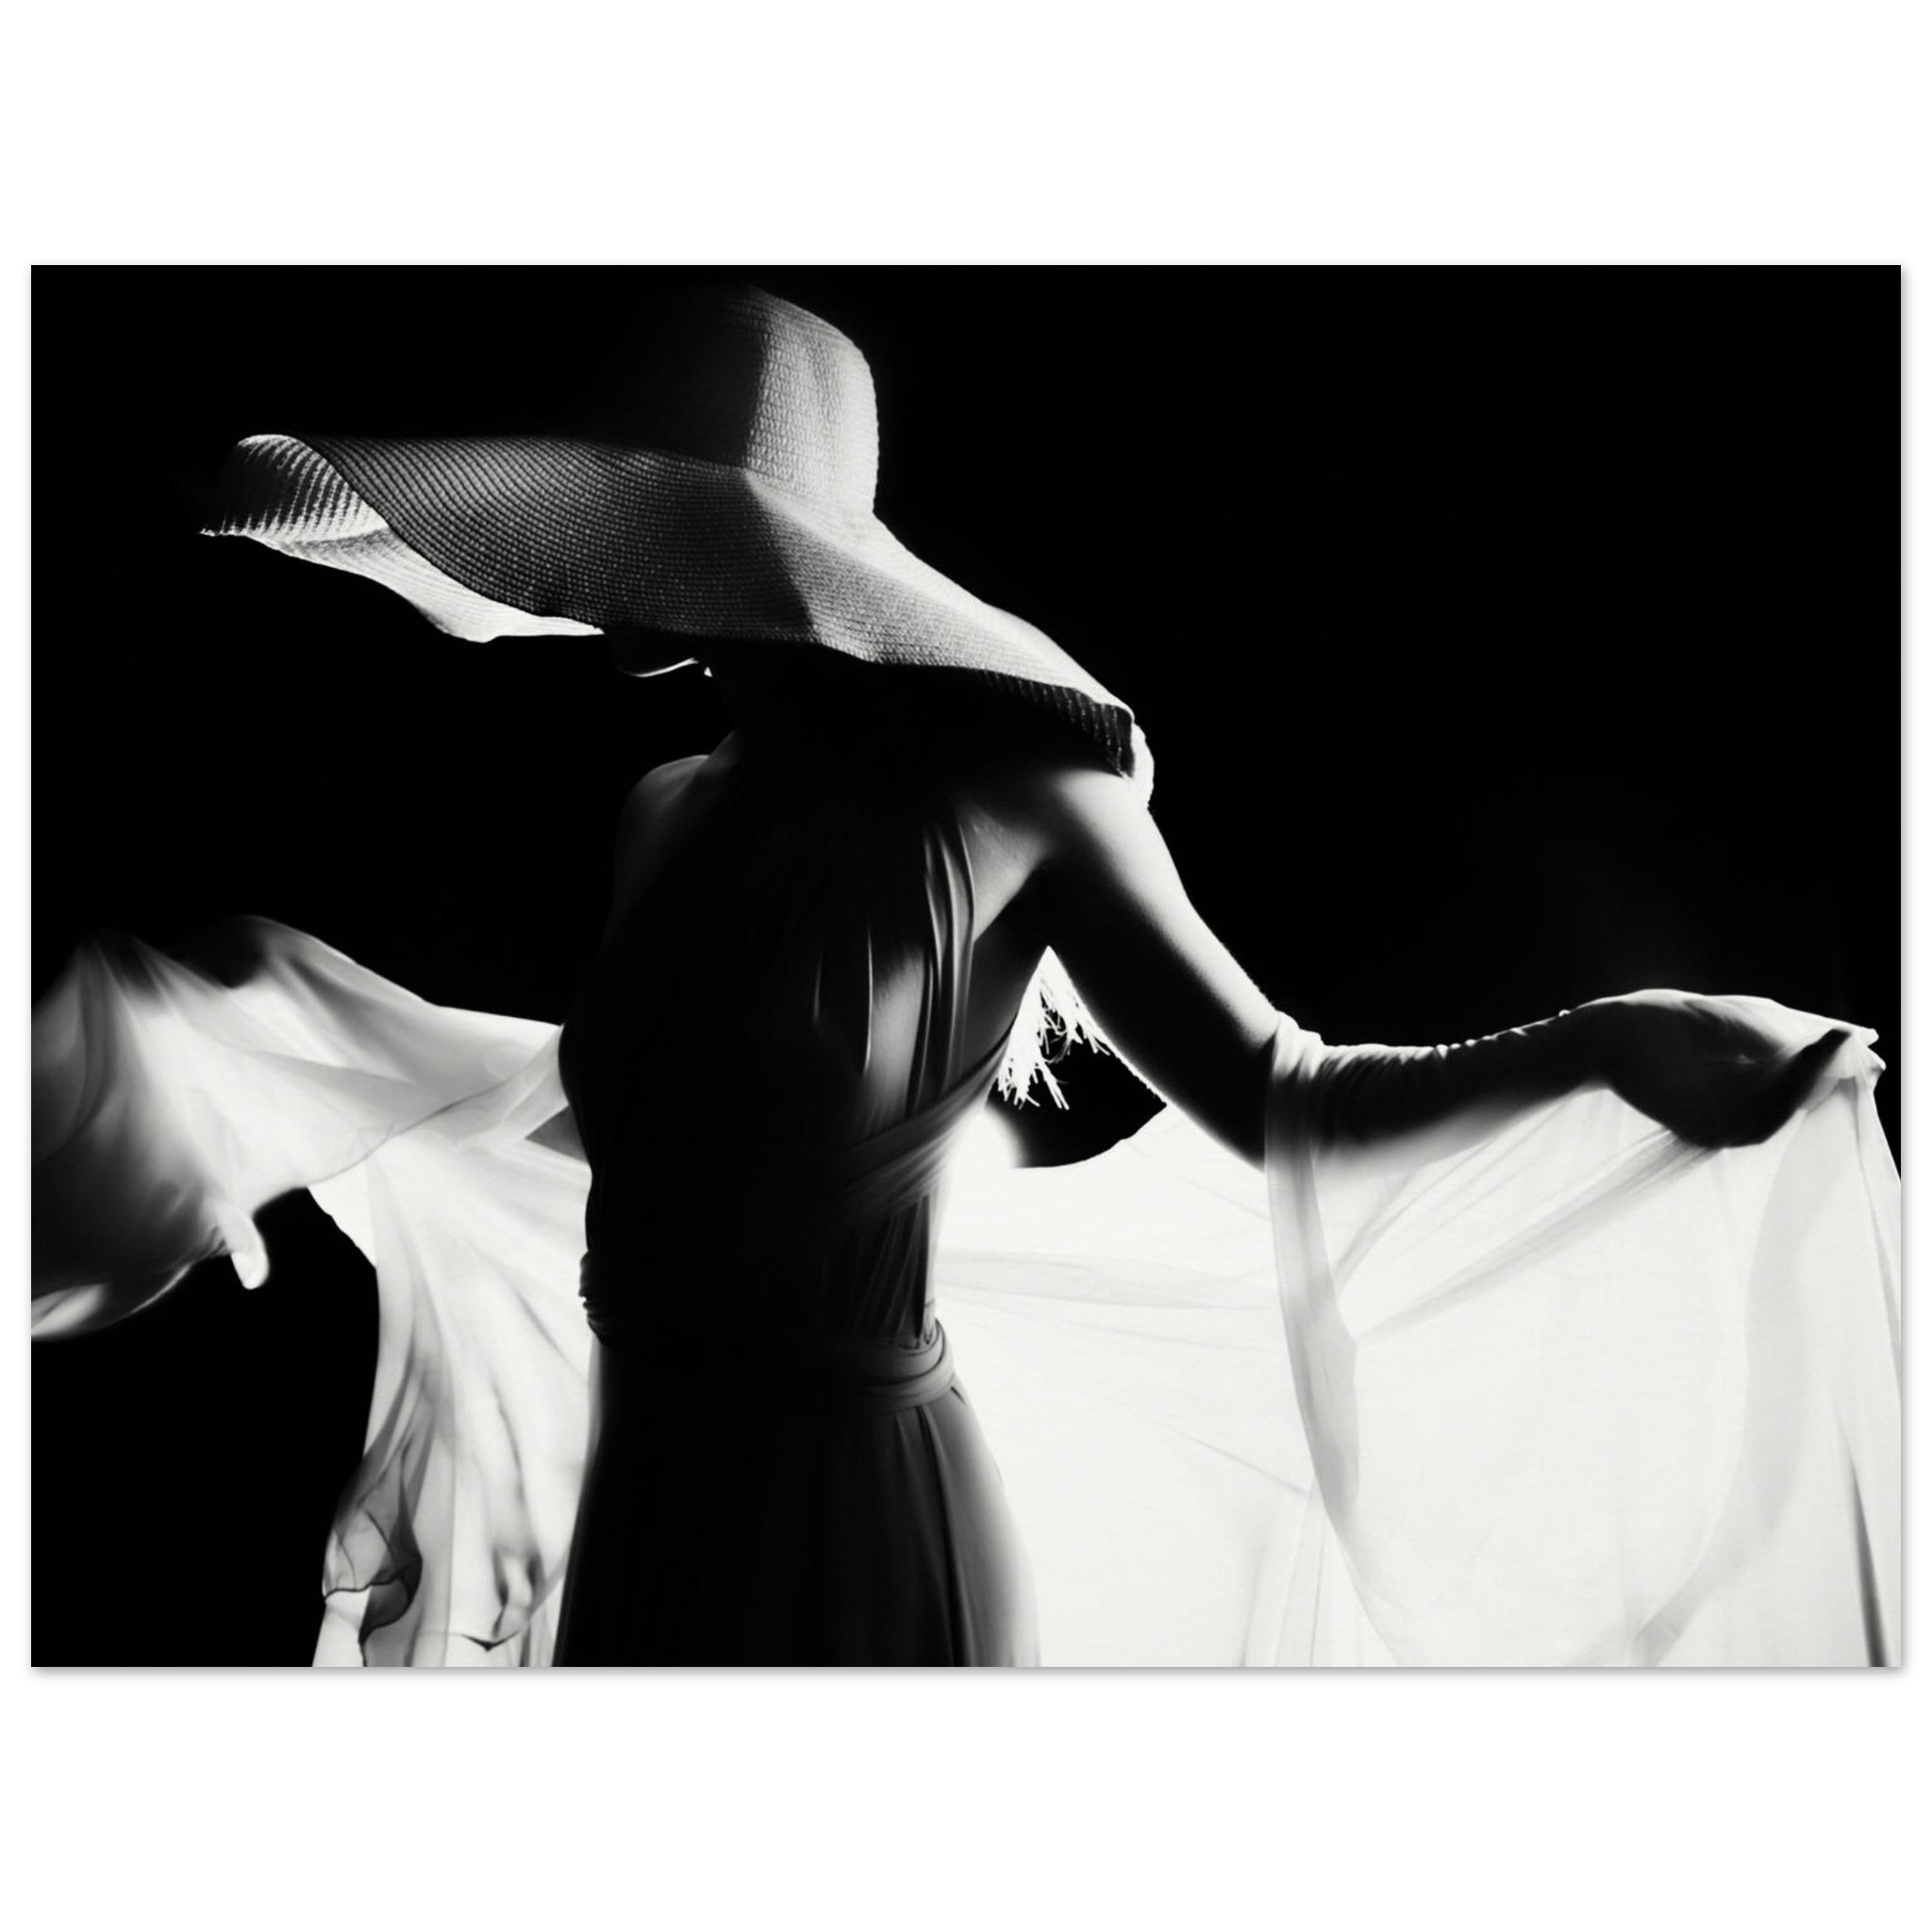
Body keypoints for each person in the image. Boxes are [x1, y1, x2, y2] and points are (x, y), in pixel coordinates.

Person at [30, 284, 1900, 1666]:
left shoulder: (1020, 801)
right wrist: (297, 1077)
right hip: (651, 1480)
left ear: (759, 556)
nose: (611, 593)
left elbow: (1287, 1101)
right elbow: (657, 1135)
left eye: (650, 540)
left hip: (842, 1496)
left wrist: (1607, 1042)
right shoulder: (668, 811)